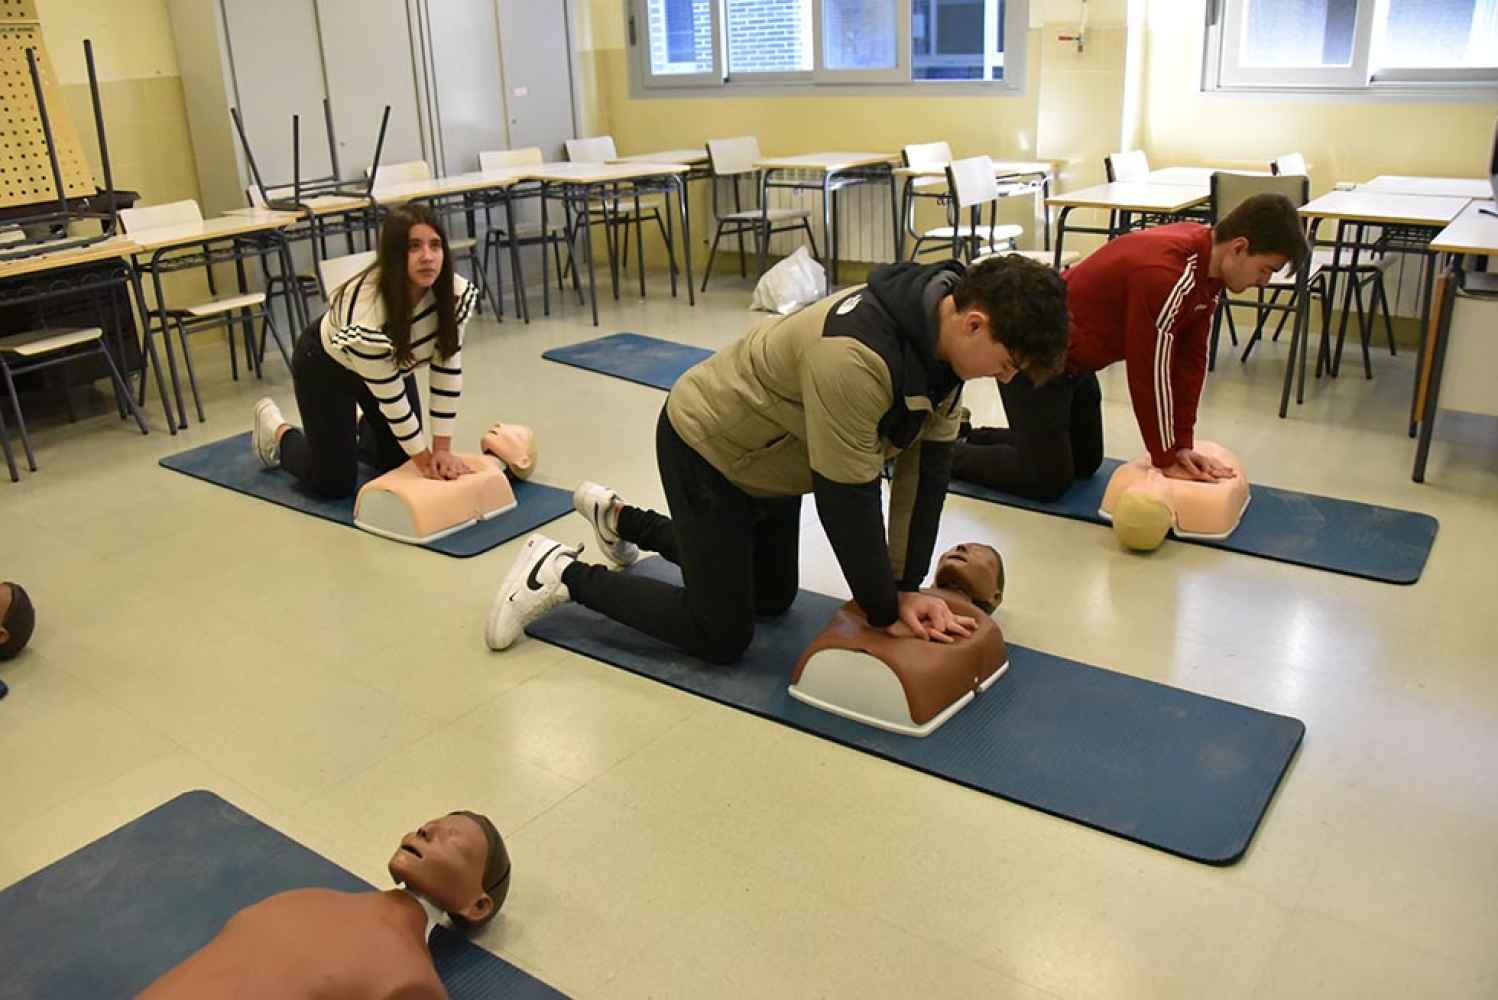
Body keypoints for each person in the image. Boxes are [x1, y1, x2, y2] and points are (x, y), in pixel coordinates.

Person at [486, 255, 1069, 664]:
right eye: (1008, 363)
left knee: (770, 599)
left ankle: (620, 520)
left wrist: (902, 586)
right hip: (709, 446)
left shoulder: (945, 347)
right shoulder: (857, 357)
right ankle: (560, 571)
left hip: (772, 461)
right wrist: (886, 608)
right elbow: (848, 499)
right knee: (721, 635)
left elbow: (928, 473)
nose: (1005, 377)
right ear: (974, 323)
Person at [951, 194, 1310, 500]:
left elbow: (1189, 363)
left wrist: (1182, 444)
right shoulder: (1168, 273)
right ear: (1239, 248)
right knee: (1048, 481)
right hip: (1033, 364)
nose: (1264, 281)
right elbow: (1149, 371)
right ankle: (942, 452)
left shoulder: (1206, 272)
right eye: (1265, 269)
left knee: (1085, 463)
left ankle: (978, 436)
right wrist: (1165, 456)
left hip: (1077, 366)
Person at [138, 811, 510, 999]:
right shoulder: (305, 900)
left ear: (477, 905)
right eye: (426, 825)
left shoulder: (408, 979)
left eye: (453, 839)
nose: (425, 831)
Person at [251, 204, 480, 499]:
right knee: (334, 484)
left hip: (385, 366)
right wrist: (425, 463)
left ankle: (356, 424)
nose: (427, 257)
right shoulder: (366, 314)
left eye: (435, 245)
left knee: (397, 461)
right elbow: (391, 397)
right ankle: (276, 431)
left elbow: (447, 370)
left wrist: (442, 450)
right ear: (395, 254)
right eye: (414, 246)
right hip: (325, 366)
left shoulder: (453, 294)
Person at [931, 543, 1003, 613]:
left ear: (995, 597)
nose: (960, 547)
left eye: (977, 550)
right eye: (951, 550)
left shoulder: (985, 624)